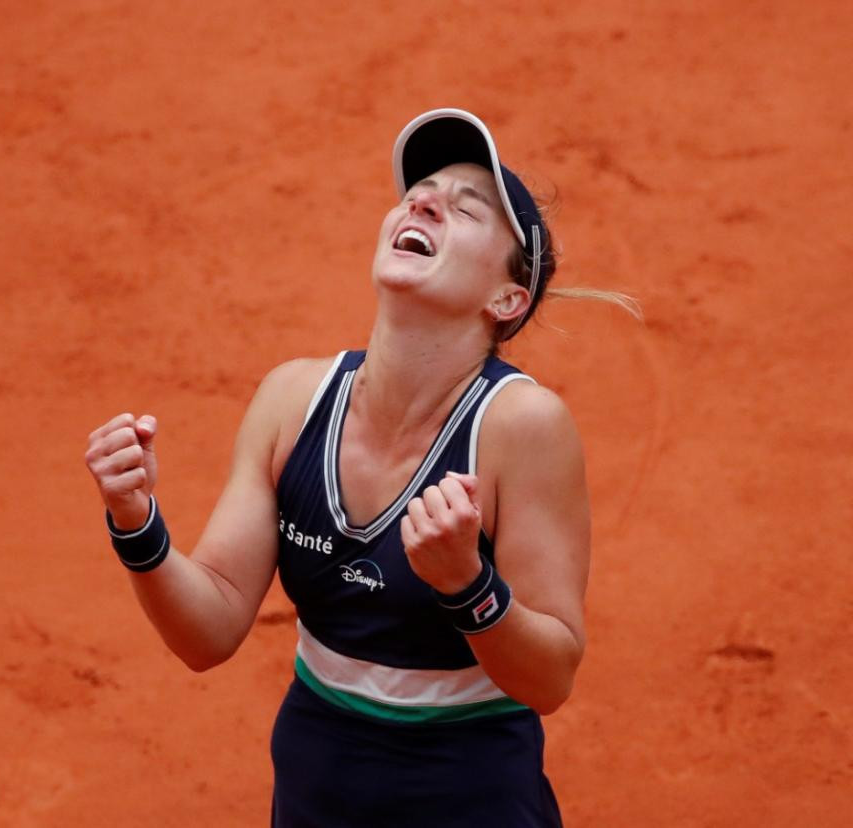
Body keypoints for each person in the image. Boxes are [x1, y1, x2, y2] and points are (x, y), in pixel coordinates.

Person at [85, 108, 600, 827]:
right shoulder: (292, 399)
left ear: (506, 298)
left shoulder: (521, 427)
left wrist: (467, 585)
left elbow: (550, 677)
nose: (423, 201)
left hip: (470, 802)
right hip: (314, 793)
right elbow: (208, 633)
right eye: (420, 191)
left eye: (466, 207)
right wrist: (136, 523)